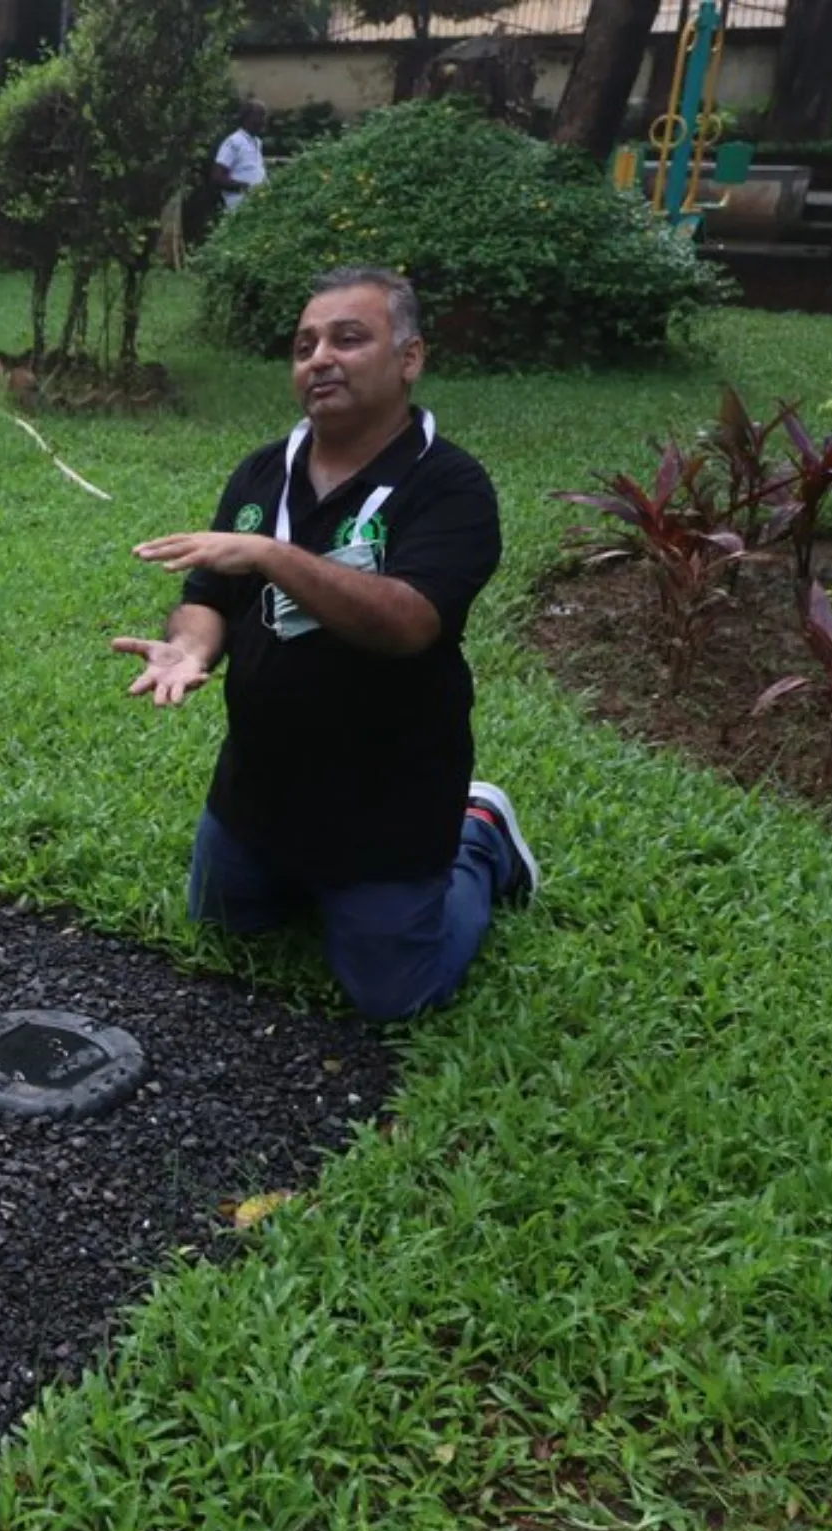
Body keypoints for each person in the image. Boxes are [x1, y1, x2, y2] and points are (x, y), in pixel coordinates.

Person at [112, 265, 538, 1023]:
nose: (319, 359)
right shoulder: (260, 472)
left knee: (394, 996)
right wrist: (191, 649)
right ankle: (298, 879)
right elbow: (209, 594)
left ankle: (482, 838)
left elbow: (409, 622)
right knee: (222, 925)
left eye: (349, 338)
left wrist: (275, 557)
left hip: (388, 808)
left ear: (409, 358)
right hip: (257, 792)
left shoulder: (450, 486)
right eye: (305, 345)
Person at [212, 100, 268, 212]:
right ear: (246, 118)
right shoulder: (234, 141)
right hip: (239, 208)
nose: (263, 121)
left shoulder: (257, 142)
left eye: (264, 117)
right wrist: (245, 187)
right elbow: (217, 177)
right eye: (259, 116)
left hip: (258, 207)